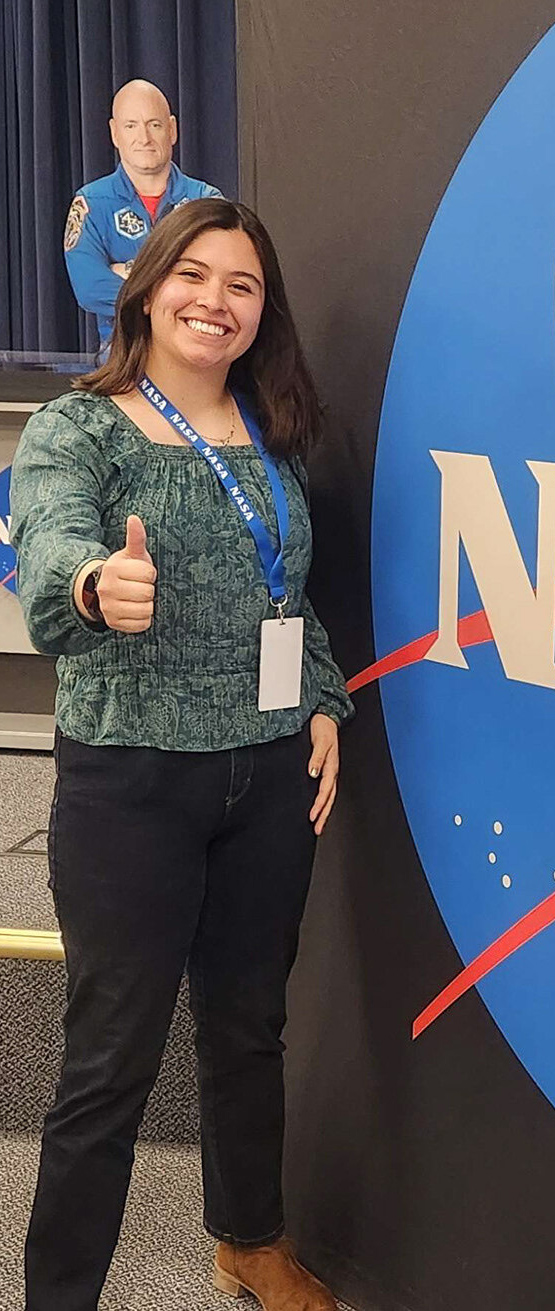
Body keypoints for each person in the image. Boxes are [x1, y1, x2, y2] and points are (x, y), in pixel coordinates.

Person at [11, 197, 352, 1311]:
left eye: (242, 284)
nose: (215, 300)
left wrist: (319, 698)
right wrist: (91, 582)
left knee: (250, 1024)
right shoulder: (83, 428)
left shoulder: (269, 425)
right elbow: (53, 537)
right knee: (110, 1063)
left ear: (263, 311)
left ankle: (249, 1239)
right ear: (148, 287)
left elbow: (284, 585)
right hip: (132, 786)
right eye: (194, 275)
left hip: (264, 782)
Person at [64, 80, 223, 349]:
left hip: (194, 347)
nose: (144, 138)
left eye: (154, 125)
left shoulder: (206, 201)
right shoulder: (91, 203)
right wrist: (172, 283)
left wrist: (130, 271)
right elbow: (90, 289)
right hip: (124, 349)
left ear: (172, 130)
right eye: (131, 126)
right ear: (115, 133)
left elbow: (218, 280)